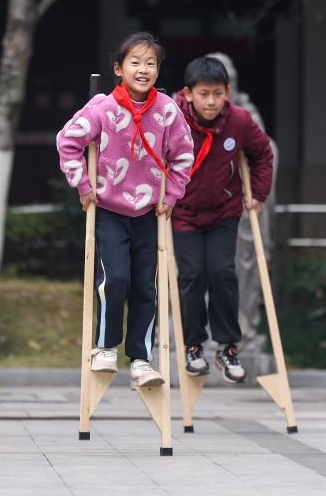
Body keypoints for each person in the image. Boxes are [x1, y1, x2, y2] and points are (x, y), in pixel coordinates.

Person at [57, 32, 193, 387]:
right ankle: (105, 346)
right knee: (115, 279)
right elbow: (67, 141)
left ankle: (141, 357)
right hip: (109, 210)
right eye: (135, 62)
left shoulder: (168, 110)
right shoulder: (102, 108)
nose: (143, 70)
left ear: (158, 70)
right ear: (118, 68)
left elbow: (183, 154)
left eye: (151, 63)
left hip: (149, 212)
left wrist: (172, 194)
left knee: (146, 286)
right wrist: (83, 185)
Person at [171, 56, 273, 383]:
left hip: (223, 213)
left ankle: (227, 347)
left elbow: (263, 155)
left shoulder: (239, 121)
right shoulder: (172, 119)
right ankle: (193, 345)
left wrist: (258, 194)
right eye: (203, 94)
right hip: (184, 213)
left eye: (217, 94)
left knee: (222, 273)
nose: (211, 102)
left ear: (227, 92)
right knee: (191, 276)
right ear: (188, 93)